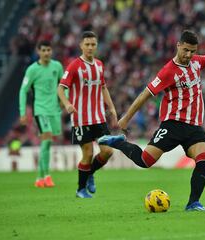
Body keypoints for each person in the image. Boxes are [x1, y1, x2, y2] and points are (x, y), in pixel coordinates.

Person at [98, 30, 205, 211]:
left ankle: (193, 203)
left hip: (194, 127)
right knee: (145, 161)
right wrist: (126, 118)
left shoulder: (197, 63)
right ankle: (120, 143)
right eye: (186, 50)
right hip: (172, 124)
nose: (189, 55)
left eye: (192, 51)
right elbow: (146, 94)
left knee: (204, 158)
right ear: (178, 46)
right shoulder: (168, 71)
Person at [57, 31, 125, 198]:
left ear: (96, 46)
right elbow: (60, 88)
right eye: (87, 44)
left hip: (98, 117)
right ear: (81, 45)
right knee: (87, 154)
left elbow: (103, 87)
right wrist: (67, 104)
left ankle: (89, 174)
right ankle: (80, 189)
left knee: (107, 152)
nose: (90, 47)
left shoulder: (100, 65)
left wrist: (112, 107)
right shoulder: (74, 66)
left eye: (93, 44)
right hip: (81, 119)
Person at [19, 40, 64, 188]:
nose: (46, 53)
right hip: (40, 110)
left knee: (48, 142)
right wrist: (22, 112)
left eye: (48, 50)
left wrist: (66, 99)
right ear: (38, 52)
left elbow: (65, 85)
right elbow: (23, 90)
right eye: (43, 50)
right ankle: (47, 175)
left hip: (54, 110)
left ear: (51, 51)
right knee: (47, 138)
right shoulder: (32, 70)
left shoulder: (57, 67)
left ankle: (39, 177)